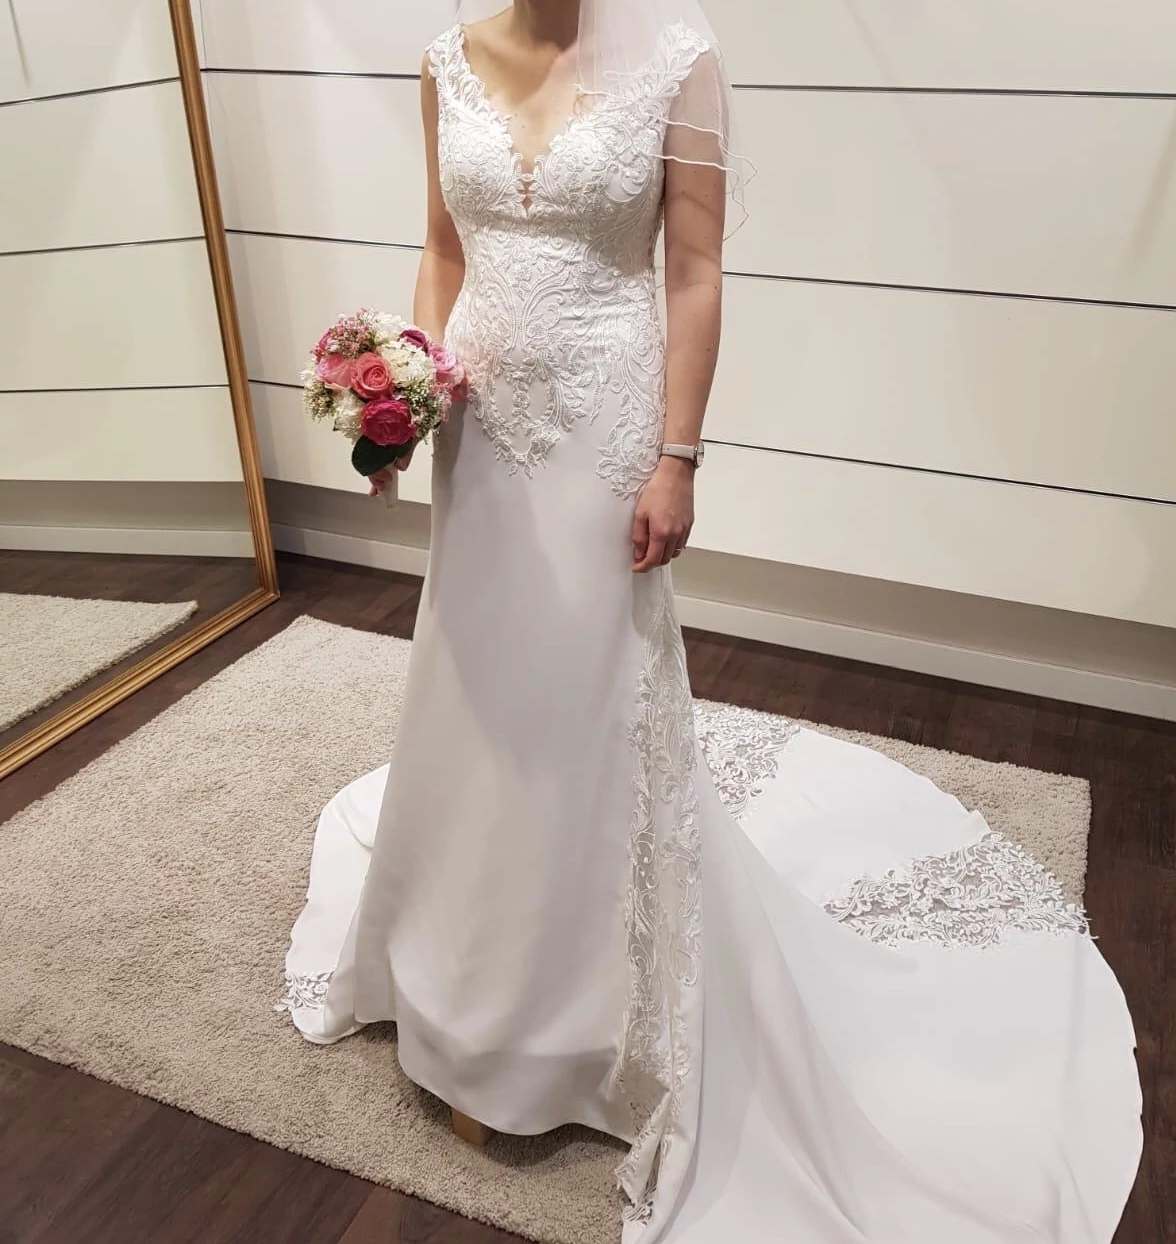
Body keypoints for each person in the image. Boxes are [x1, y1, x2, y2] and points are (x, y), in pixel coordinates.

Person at [278, 1, 1143, 1240]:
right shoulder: (442, 63)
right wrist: (409, 387)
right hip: (479, 424)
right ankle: (450, 972)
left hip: (604, 420)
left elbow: (691, 270)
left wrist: (677, 457)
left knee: (585, 695)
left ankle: (571, 1026)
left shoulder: (679, 63)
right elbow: (444, 245)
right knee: (479, 684)